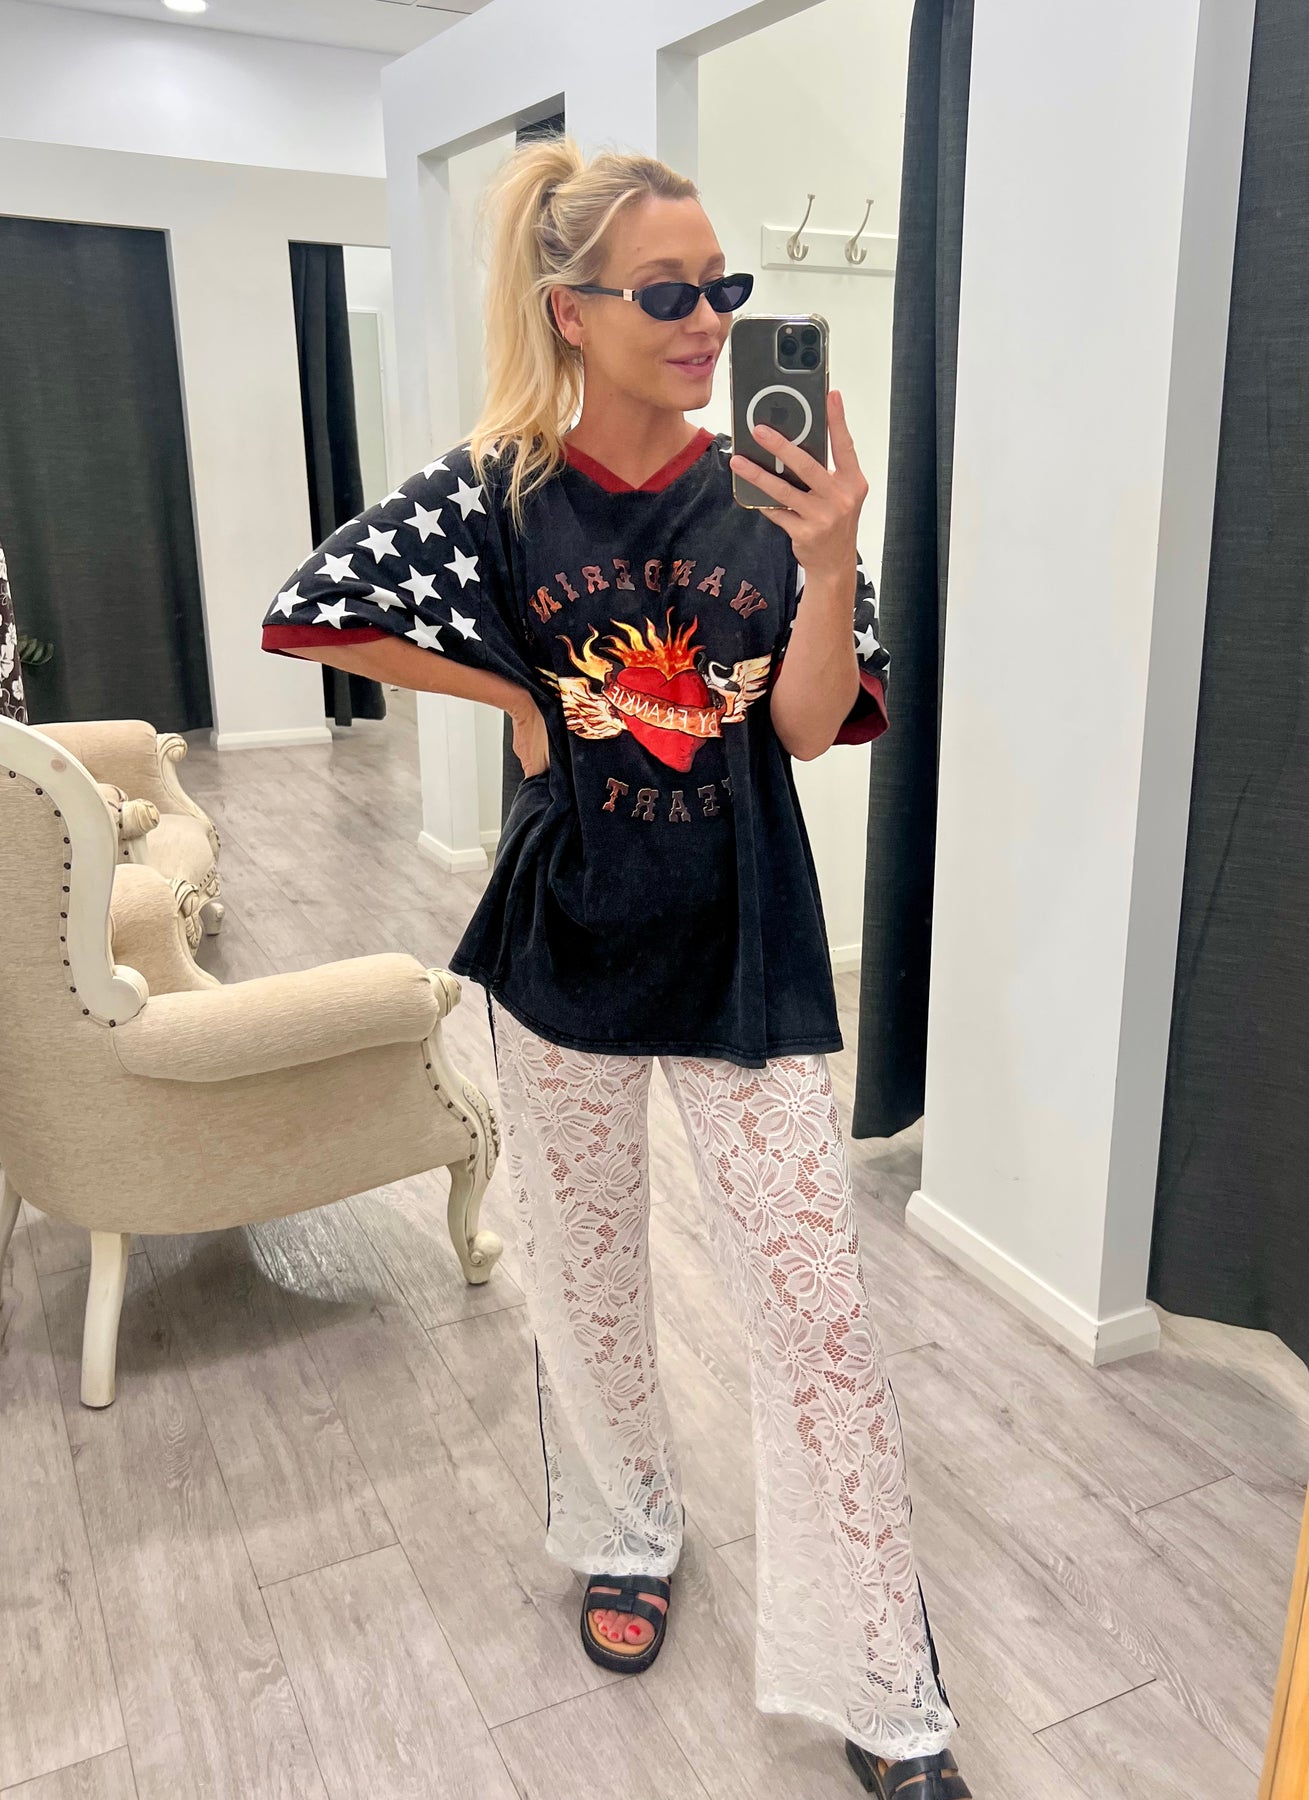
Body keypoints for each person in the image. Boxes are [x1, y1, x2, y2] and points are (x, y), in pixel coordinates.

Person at [261, 134, 970, 1800]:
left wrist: (828, 558)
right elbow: (311, 610)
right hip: (563, 939)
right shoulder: (495, 493)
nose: (708, 318)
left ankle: (885, 1690)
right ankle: (624, 1532)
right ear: (571, 310)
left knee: (815, 1314)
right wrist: (514, 693)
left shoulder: (772, 494)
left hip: (746, 943)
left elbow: (810, 727)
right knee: (584, 1282)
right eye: (667, 292)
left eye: (723, 287)